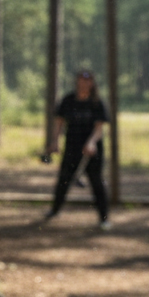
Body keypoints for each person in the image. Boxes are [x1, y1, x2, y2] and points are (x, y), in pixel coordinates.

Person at [44, 70, 111, 229]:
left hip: (92, 151)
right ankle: (55, 210)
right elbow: (59, 122)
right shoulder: (68, 100)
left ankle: (104, 218)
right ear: (77, 82)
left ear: (92, 83)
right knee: (63, 180)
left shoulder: (97, 103)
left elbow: (99, 128)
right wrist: (55, 142)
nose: (84, 83)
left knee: (97, 183)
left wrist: (91, 143)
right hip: (72, 147)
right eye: (81, 80)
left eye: (87, 81)